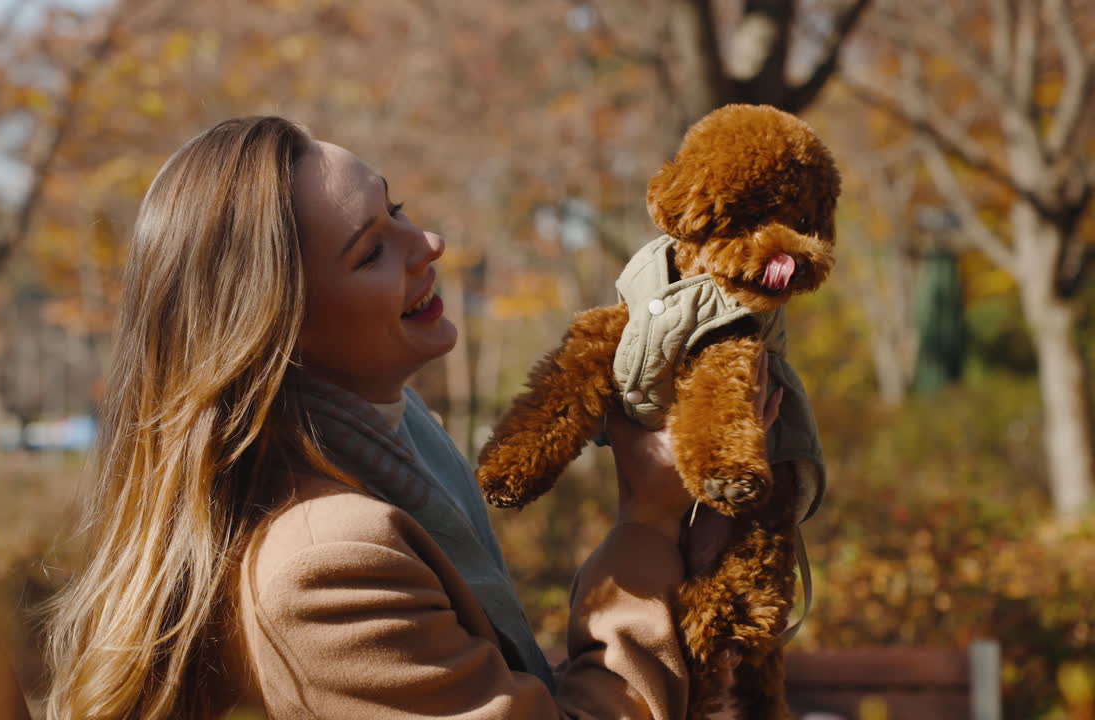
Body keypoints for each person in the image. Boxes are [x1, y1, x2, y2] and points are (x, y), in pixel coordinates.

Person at [44, 116, 782, 719]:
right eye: (371, 252)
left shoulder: (398, 443)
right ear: (276, 331)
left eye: (394, 210)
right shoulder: (321, 569)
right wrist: (646, 524)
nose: (427, 244)